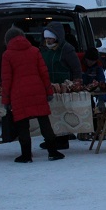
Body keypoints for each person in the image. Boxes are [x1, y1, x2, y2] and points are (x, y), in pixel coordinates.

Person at [0, 27, 64, 162]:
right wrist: (48, 91)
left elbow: (6, 80)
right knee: (44, 122)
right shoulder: (35, 51)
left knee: (22, 125)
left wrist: (6, 100)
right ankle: (52, 152)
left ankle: (26, 155)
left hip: (18, 94)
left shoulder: (7, 55)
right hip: (37, 90)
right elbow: (44, 73)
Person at [39, 21, 82, 150]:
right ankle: (50, 139)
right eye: (46, 38)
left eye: (51, 38)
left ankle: (63, 140)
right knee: (49, 115)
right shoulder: (43, 49)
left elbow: (76, 68)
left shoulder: (67, 49)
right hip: (48, 87)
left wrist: (76, 82)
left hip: (63, 87)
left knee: (62, 113)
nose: (48, 40)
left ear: (57, 37)